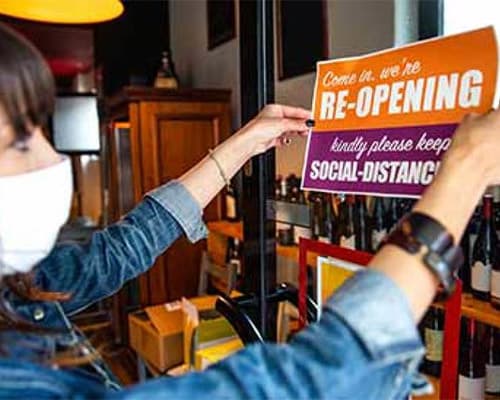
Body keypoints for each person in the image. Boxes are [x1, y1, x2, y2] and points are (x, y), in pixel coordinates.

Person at [0, 21, 498, 399]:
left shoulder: (17, 291)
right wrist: (465, 172)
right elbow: (304, 382)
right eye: (20, 142)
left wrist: (243, 144)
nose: (53, 158)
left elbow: (119, 250)